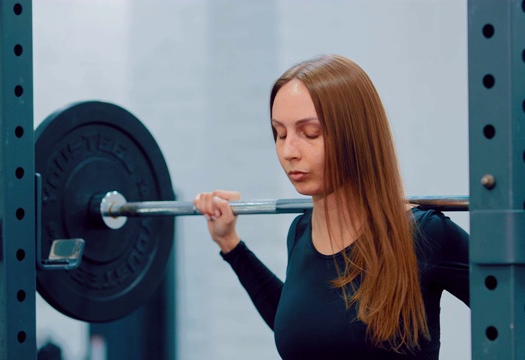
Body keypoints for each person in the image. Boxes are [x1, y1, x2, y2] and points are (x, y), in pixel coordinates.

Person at [193, 54, 469, 359]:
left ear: (355, 136)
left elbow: (512, 316)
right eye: (280, 133)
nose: (288, 151)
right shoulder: (301, 231)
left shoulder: (425, 234)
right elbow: (306, 330)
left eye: (310, 133)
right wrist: (230, 244)